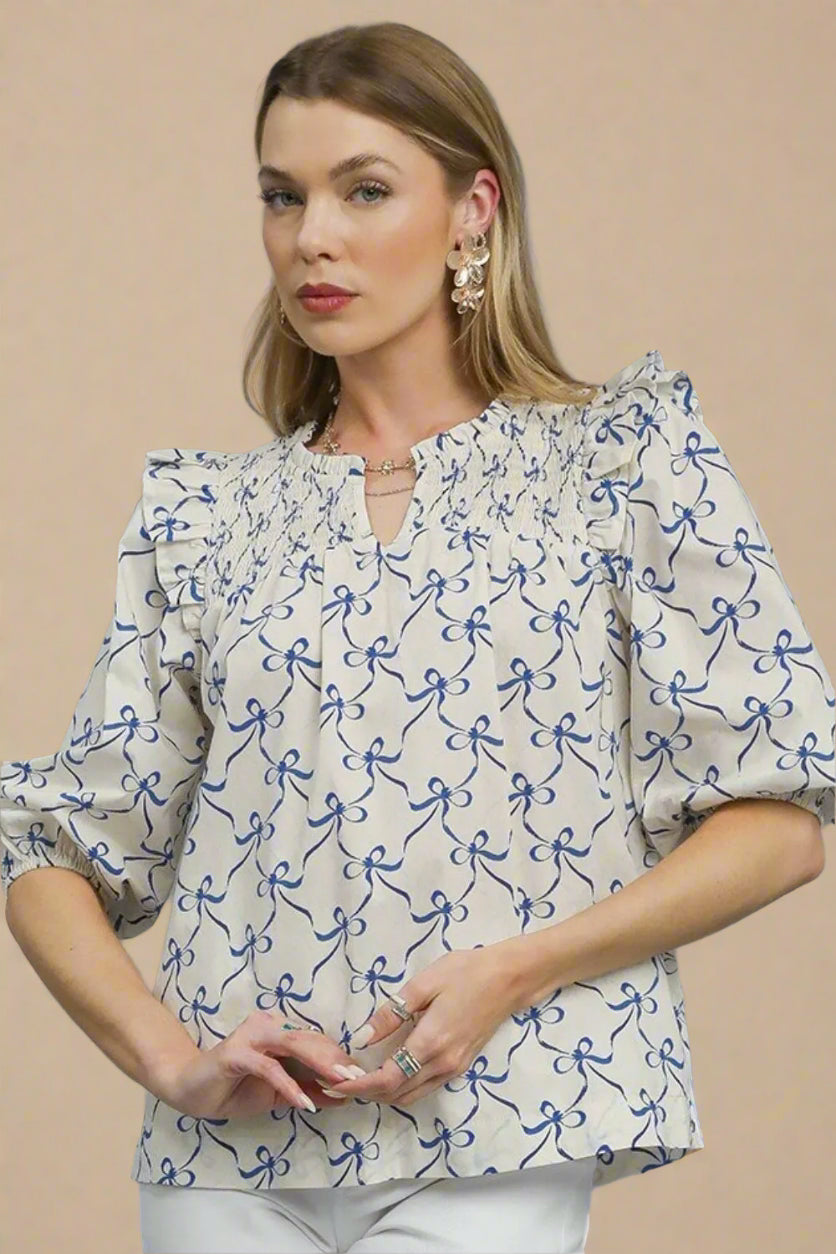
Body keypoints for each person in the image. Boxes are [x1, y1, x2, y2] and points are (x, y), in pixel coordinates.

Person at [2, 20, 834, 1254]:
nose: (312, 237)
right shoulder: (206, 520)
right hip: (226, 1167)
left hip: (505, 1123)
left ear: (472, 209)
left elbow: (780, 820)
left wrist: (520, 967)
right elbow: (58, 843)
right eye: (282, 198)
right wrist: (172, 1065)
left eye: (364, 189)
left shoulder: (615, 463)